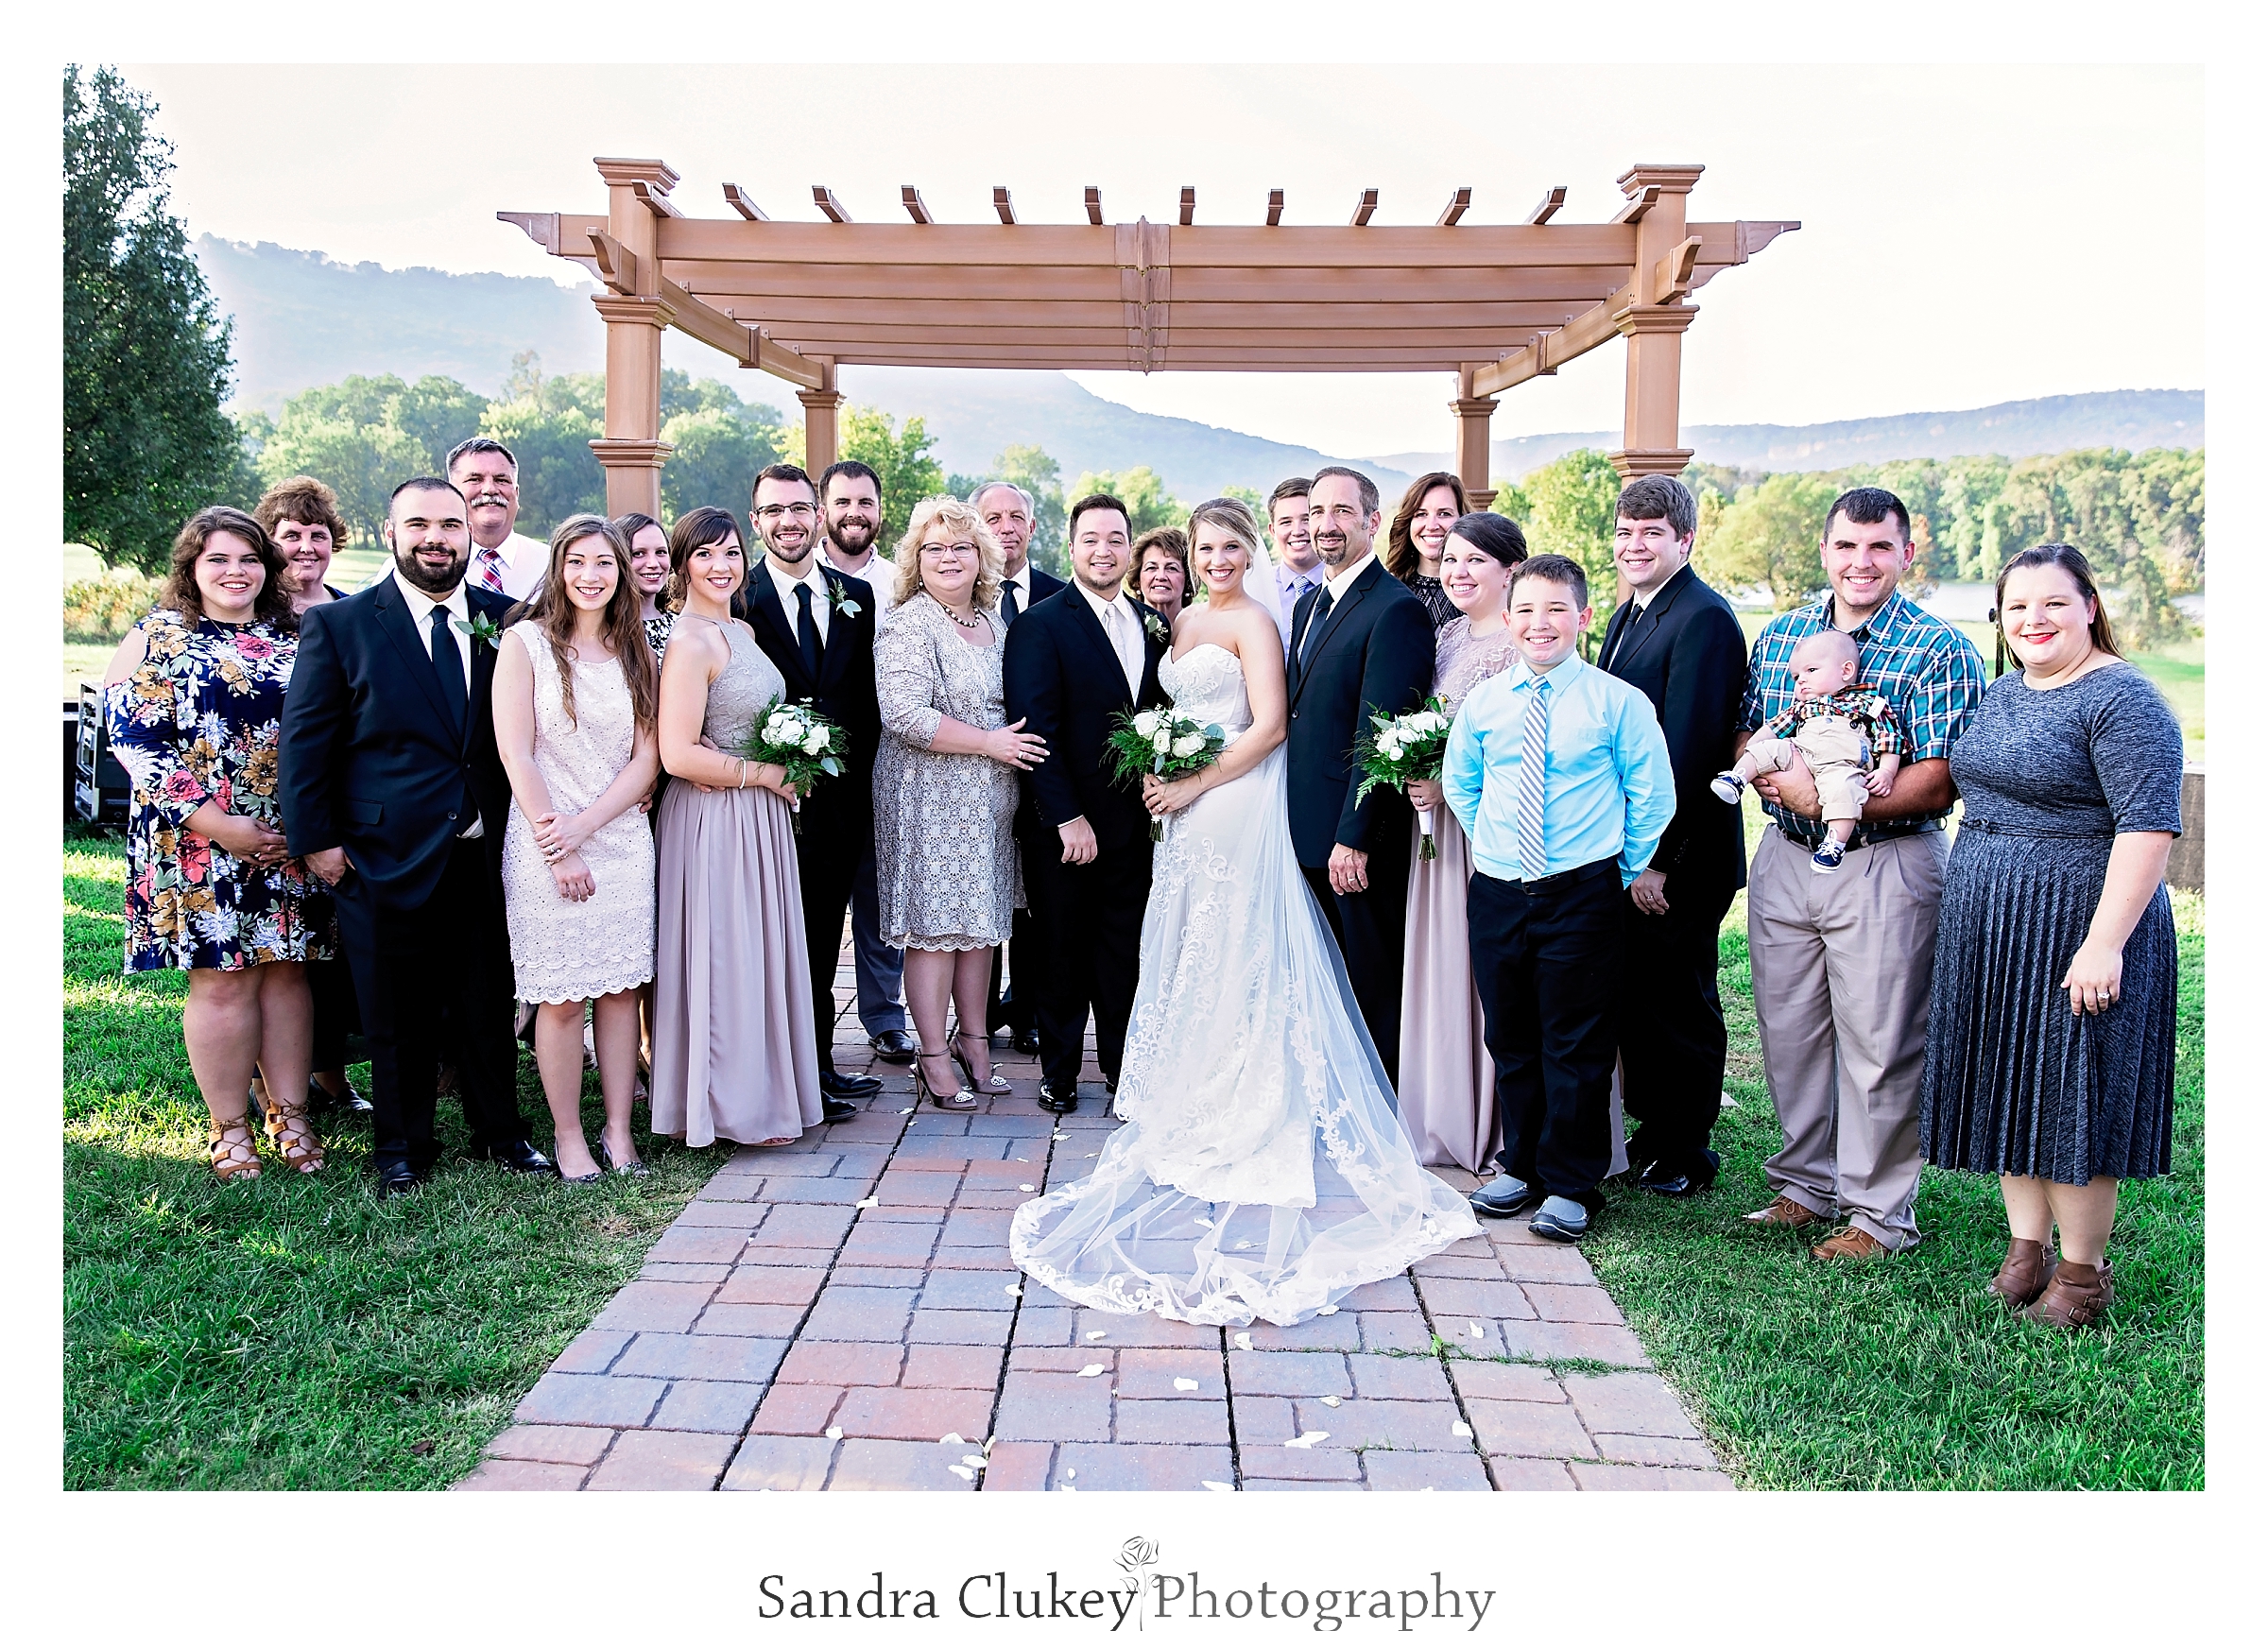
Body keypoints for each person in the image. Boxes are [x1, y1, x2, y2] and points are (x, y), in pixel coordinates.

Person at [1008, 491, 1480, 1326]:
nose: (1219, 561)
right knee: (1191, 944)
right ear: (1188, 554)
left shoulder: (1258, 623)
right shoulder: (1179, 622)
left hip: (1231, 801)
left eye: (1232, 547)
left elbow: (1267, 728)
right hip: (1181, 817)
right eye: (1206, 548)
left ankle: (1243, 1094)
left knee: (1236, 944)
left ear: (1252, 550)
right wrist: (1164, 768)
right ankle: (1190, 1085)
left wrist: (1192, 778)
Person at [1921, 545, 2183, 1328]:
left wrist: (2105, 944)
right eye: (2018, 606)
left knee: (2074, 1096)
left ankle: (2082, 1274)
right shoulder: (2005, 691)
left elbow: (2147, 829)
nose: (2034, 619)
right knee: (2010, 1082)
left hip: (2080, 923)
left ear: (2091, 607)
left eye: (2054, 604)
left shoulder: (2123, 700)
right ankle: (2024, 1251)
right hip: (1994, 924)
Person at [280, 478, 554, 1193]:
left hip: (485, 850)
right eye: (420, 524)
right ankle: (401, 1148)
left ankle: (502, 1133)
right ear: (392, 530)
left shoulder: (508, 622)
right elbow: (306, 744)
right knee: (394, 1009)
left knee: (487, 1003)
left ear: (472, 534)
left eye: (451, 525)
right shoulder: (342, 626)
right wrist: (318, 843)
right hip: (378, 855)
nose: (437, 538)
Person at [1737, 487, 1986, 1261]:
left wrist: (1830, 796)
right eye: (1847, 546)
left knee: (1880, 1041)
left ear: (1907, 554)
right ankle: (1805, 1186)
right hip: (1784, 854)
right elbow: (1753, 722)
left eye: (1879, 547)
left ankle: (1880, 1215)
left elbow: (1942, 779)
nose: (1861, 562)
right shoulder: (1779, 637)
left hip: (1887, 862)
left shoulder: (1939, 648)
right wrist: (1777, 782)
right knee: (1791, 1030)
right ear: (1825, 551)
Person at [1445, 555, 1675, 1243]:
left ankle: (1571, 1183)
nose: (1539, 624)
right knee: (1511, 1034)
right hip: (1498, 890)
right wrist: (1498, 849)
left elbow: (1652, 796)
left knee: (1575, 1041)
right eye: (1526, 610)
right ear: (1509, 618)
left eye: (1555, 610)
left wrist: (1619, 866)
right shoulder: (1485, 704)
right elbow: (1463, 786)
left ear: (1581, 617)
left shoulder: (1617, 702)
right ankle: (1520, 1165)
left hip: (1582, 891)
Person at [108, 507, 332, 1180]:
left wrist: (306, 821)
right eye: (218, 560)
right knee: (224, 981)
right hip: (199, 842)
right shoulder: (159, 635)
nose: (235, 572)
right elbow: (134, 742)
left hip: (288, 835)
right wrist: (221, 825)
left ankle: (290, 1115)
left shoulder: (297, 633)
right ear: (191, 568)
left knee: (288, 975)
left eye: (249, 559)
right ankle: (229, 1128)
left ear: (268, 568)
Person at [649, 506, 831, 1147]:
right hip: (715, 820)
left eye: (730, 553)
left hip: (760, 817)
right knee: (724, 954)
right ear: (682, 566)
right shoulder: (689, 640)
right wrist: (764, 776)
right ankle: (726, 1108)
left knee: (757, 953)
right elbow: (677, 754)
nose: (721, 566)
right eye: (705, 555)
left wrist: (791, 760)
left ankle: (762, 1093)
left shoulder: (744, 633)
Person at [1596, 474, 1751, 1199]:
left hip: (1681, 854)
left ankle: (1690, 1149)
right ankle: (1655, 1130)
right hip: (1631, 846)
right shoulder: (1631, 611)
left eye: (1651, 533)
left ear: (1684, 540)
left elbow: (1690, 750)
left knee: (1682, 1000)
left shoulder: (1704, 619)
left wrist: (1655, 861)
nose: (1635, 544)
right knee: (1642, 998)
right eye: (1626, 531)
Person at [493, 516, 661, 1180]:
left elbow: (647, 758)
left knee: (621, 994)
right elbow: (516, 749)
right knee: (561, 1000)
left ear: (622, 572)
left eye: (605, 563)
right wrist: (559, 845)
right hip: (544, 840)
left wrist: (588, 826)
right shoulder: (526, 643)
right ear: (558, 570)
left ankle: (619, 1132)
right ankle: (568, 1137)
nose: (591, 576)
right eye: (577, 562)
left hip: (620, 836)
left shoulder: (636, 648)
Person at [873, 497, 1047, 1110]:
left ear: (983, 557)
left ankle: (975, 1044)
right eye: (935, 548)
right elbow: (902, 714)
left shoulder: (994, 621)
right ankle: (932, 1056)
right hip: (930, 798)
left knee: (980, 930)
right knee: (937, 930)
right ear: (916, 560)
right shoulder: (909, 623)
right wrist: (989, 743)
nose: (949, 557)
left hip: (991, 801)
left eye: (962, 547)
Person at [1003, 492, 1170, 1115]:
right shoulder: (1039, 625)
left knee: (1122, 952)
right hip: (1064, 826)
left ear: (1129, 547)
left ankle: (1124, 1071)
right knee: (1060, 950)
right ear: (1071, 547)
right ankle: (1060, 1073)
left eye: (1116, 539)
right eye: (1092, 539)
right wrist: (1065, 815)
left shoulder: (1151, 624)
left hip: (1137, 821)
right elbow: (1033, 728)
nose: (1104, 550)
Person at [733, 463, 886, 1111]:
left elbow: (865, 704)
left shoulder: (857, 595)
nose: (789, 521)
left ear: (818, 516)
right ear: (757, 520)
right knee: (767, 941)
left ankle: (817, 1065)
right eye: (775, 511)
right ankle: (769, 1071)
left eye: (800, 509)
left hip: (841, 806)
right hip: (764, 803)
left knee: (823, 939)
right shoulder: (735, 598)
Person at [1282, 466, 1435, 1087]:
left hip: (1353, 837)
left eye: (1342, 512)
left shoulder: (1396, 610)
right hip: (1301, 824)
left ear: (1372, 522)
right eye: (1317, 512)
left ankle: (1384, 1099)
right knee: (1325, 974)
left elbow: (1382, 734)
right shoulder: (1310, 606)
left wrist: (1356, 835)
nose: (1325, 525)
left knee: (1370, 974)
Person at [1398, 511, 1525, 1173]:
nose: (1459, 572)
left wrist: (1450, 784)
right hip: (1437, 835)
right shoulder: (1445, 635)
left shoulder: (1522, 640)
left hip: (1492, 830)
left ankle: (1505, 1127)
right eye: (1451, 560)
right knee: (1446, 962)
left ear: (1511, 571)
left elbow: (1529, 744)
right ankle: (1448, 1113)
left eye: (1476, 560)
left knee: (1491, 973)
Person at [251, 474, 371, 1119]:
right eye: (289, 534)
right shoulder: (253, 617)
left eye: (317, 535)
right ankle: (269, 1091)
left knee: (331, 960)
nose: (304, 546)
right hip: (265, 821)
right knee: (276, 960)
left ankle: (330, 1080)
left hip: (343, 810)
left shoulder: (352, 613)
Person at [817, 460, 919, 1065]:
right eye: (843, 502)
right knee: (819, 900)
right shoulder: (799, 577)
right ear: (824, 509)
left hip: (890, 763)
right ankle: (811, 1018)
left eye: (865, 502)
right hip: (815, 768)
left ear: (880, 510)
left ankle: (884, 1016)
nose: (854, 512)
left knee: (880, 898)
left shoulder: (901, 584)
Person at [974, 477, 1067, 1056]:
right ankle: (979, 1016)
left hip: (1043, 771)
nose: (1006, 528)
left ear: (1032, 528)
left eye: (1016, 518)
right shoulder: (962, 593)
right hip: (977, 773)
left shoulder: (1061, 598)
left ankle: (1030, 1008)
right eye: (993, 518)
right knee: (983, 896)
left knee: (1036, 899)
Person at [1715, 628, 1905, 872]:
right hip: (1801, 755)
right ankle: (1737, 777)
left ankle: (1834, 844)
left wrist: (1887, 772)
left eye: (1811, 671)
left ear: (1846, 671)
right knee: (1770, 748)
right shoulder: (1802, 708)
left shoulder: (1868, 704)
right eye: (1796, 677)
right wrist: (1753, 755)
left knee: (1845, 792)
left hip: (1841, 765)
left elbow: (1889, 738)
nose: (1801, 680)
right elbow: (1771, 730)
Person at [447, 436, 547, 601]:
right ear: (451, 492)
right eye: (475, 479)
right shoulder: (421, 566)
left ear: (516, 493)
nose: (490, 489)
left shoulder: (551, 566)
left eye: (501, 480)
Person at [1382, 471, 1469, 629]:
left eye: (1444, 514)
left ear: (1463, 519)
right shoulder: (1386, 593)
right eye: (1421, 514)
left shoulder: (1477, 591)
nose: (1431, 525)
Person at [1257, 477, 1325, 654]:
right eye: (1286, 522)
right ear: (1272, 530)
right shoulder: (1257, 589)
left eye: (1306, 519)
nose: (1297, 531)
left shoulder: (1343, 588)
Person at [618, 510, 674, 661]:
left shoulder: (683, 627)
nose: (653, 564)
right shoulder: (605, 630)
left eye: (661, 552)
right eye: (638, 553)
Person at [1132, 525, 1194, 629]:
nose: (1161, 576)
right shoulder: (1125, 627)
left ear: (1188, 579)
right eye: (1151, 568)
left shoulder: (1199, 629)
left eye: (1171, 568)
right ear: (1138, 579)